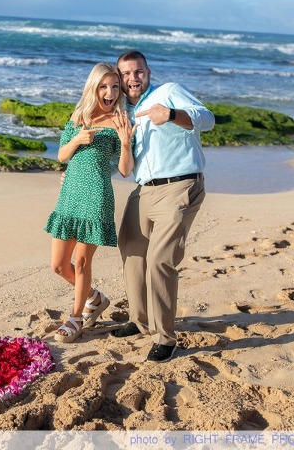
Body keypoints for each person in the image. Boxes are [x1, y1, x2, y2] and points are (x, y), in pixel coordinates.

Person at [109, 50, 215, 362]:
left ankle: (165, 338)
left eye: (138, 71)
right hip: (144, 190)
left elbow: (206, 119)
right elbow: (120, 158)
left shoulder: (169, 92)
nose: (133, 78)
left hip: (180, 185)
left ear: (148, 72)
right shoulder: (125, 110)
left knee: (160, 260)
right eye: (126, 73)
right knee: (131, 250)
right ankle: (139, 319)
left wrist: (170, 114)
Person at [45, 62, 136, 343]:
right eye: (104, 87)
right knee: (59, 266)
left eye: (115, 87)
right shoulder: (79, 116)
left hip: (97, 196)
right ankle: (94, 297)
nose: (110, 93)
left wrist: (125, 142)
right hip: (70, 195)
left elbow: (125, 170)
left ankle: (75, 317)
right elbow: (62, 155)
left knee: (82, 262)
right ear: (93, 88)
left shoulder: (119, 121)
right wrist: (78, 140)